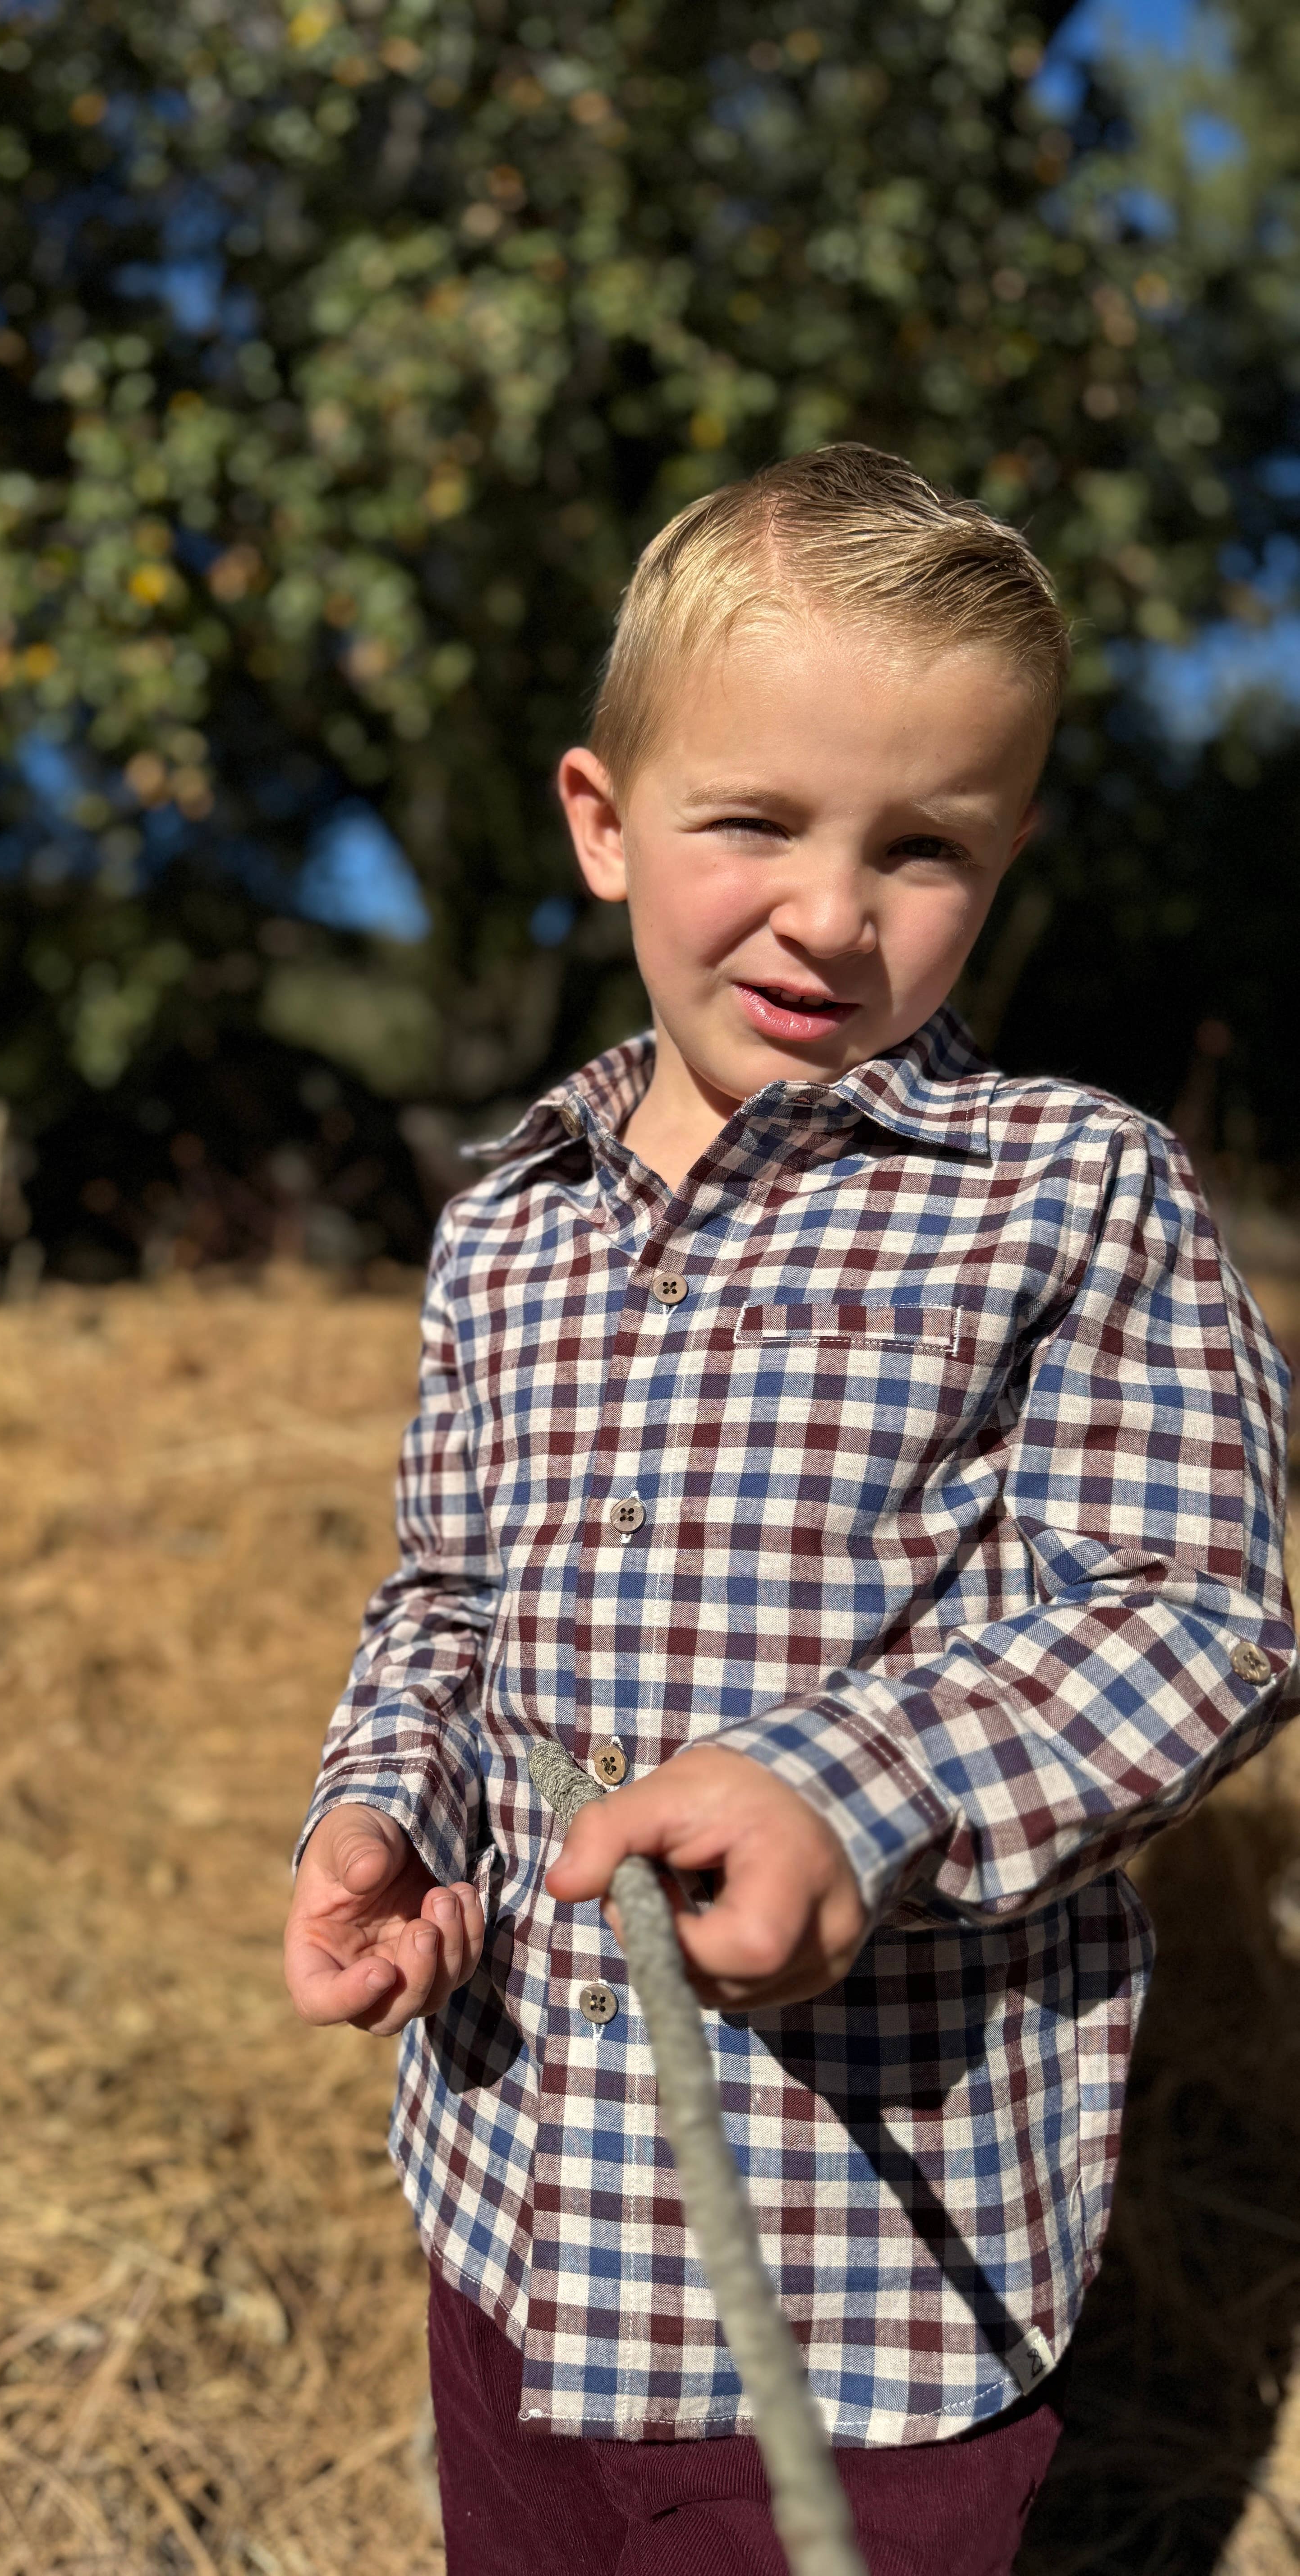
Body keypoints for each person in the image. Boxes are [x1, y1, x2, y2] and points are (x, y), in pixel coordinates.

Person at [282, 445, 1293, 2576]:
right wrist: (386, 1819)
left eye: (922, 848)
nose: (832, 914)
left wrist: (858, 1787)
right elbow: (444, 1599)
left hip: (869, 2286)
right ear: (602, 820)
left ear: (1006, 858)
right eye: (752, 821)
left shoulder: (1067, 1191)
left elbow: (1200, 1608)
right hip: (517, 2206)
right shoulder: (510, 1227)